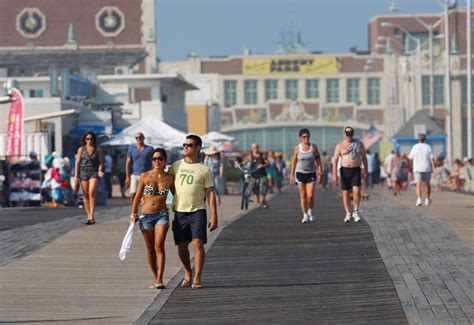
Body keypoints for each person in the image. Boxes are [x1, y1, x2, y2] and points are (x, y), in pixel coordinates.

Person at [169, 134, 218, 289]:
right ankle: (187, 272)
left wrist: (214, 215)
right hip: (180, 211)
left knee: (197, 243)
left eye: (189, 145)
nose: (185, 147)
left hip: (198, 210)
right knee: (182, 246)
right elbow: (165, 183)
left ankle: (197, 277)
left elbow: (210, 193)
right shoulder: (176, 166)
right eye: (184, 144)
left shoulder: (204, 169)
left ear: (197, 148)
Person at [129, 148, 174, 289]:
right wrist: (133, 213)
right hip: (146, 215)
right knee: (150, 248)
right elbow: (137, 196)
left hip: (162, 214)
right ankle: (155, 277)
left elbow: (177, 194)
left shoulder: (169, 178)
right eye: (154, 159)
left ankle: (160, 279)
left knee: (159, 245)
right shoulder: (144, 176)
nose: (157, 161)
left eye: (160, 159)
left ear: (165, 160)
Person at [332, 126, 368, 223]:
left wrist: (366, 171)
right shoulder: (339, 145)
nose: (349, 137)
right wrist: (334, 174)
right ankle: (348, 212)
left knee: (356, 190)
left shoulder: (359, 144)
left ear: (353, 134)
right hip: (344, 170)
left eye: (351, 134)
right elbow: (335, 160)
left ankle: (355, 211)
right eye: (347, 135)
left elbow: (364, 158)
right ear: (344, 134)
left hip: (356, 170)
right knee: (346, 192)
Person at [290, 128, 323, 223]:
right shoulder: (297, 148)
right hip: (300, 173)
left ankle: (311, 211)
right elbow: (294, 162)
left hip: (311, 173)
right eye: (304, 137)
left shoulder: (314, 147)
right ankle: (304, 215)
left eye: (308, 136)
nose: (306, 138)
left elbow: (318, 161)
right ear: (300, 138)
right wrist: (291, 175)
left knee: (311, 195)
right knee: (303, 195)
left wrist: (320, 173)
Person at [74, 131, 104, 225]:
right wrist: (75, 176)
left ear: (94, 139)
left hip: (93, 172)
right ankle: (88, 215)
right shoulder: (81, 149)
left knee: (91, 192)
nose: (89, 140)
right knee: (85, 194)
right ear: (85, 140)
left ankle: (91, 214)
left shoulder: (97, 149)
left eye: (91, 139)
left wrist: (100, 170)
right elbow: (77, 163)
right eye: (87, 139)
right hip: (83, 172)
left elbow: (101, 163)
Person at [408, 133, 436, 206]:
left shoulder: (415, 147)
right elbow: (432, 159)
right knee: (427, 184)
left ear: (418, 139)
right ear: (425, 139)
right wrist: (434, 168)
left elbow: (410, 158)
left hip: (417, 168)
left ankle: (419, 199)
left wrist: (410, 167)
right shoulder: (428, 147)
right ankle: (427, 199)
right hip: (427, 168)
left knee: (418, 184)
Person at [125, 132, 153, 204]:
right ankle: (134, 210)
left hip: (146, 175)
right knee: (132, 194)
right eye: (136, 138)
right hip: (135, 174)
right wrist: (127, 177)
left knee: (146, 195)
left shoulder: (149, 149)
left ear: (143, 138)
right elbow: (128, 163)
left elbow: (154, 161)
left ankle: (145, 210)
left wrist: (152, 173)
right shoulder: (131, 148)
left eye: (140, 137)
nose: (138, 139)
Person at [240, 143, 270, 209]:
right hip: (254, 175)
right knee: (254, 188)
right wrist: (239, 164)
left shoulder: (262, 155)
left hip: (262, 174)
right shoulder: (250, 156)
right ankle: (258, 201)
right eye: (254, 148)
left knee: (263, 188)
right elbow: (244, 162)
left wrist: (263, 165)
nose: (256, 149)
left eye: (257, 147)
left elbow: (268, 164)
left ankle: (264, 200)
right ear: (252, 148)